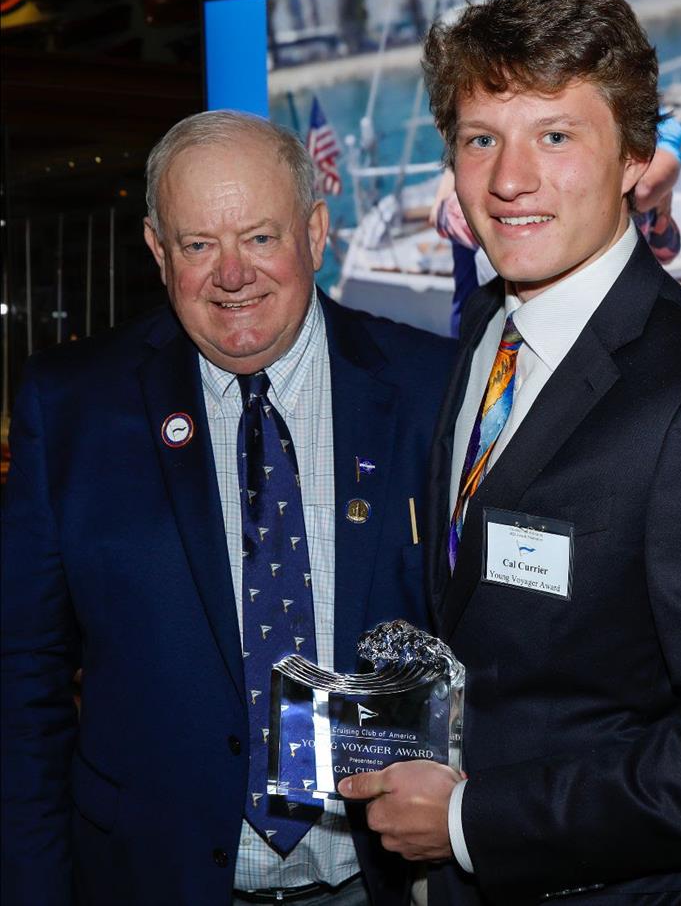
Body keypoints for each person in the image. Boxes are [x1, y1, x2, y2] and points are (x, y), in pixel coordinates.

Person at [339, 0, 681, 905]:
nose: (509, 181)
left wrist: (474, 822)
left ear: (636, 155)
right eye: (481, 139)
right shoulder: (485, 330)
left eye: (555, 135)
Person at [0, 110, 455, 906]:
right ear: (155, 249)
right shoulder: (71, 407)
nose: (231, 274)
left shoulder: (430, 391)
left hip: (381, 884)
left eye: (260, 237)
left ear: (316, 233)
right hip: (150, 879)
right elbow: (25, 680)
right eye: (197, 244)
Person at [431, 114, 681, 336]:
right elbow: (665, 241)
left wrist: (455, 184)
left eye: (556, 138)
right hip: (487, 336)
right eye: (481, 140)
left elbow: (448, 219)